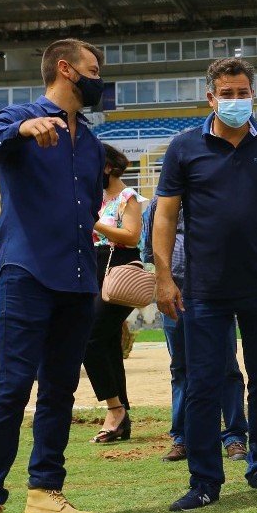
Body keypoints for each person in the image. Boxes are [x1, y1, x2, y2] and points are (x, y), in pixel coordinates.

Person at [0, 38, 106, 513]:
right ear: (66, 70)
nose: (99, 79)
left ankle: (46, 492)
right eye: (93, 70)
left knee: (61, 390)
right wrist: (22, 129)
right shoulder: (20, 117)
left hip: (77, 277)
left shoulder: (89, 141)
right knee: (12, 387)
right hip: (27, 274)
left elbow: (88, 205)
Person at [153, 57, 257, 511]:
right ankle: (204, 480)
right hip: (203, 287)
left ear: (252, 94)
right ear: (211, 97)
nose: (237, 101)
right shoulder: (184, 148)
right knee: (204, 383)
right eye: (228, 93)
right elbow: (164, 215)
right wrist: (163, 276)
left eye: (244, 93)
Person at [142, 197, 248, 463]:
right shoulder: (159, 203)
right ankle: (182, 438)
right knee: (181, 368)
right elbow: (149, 250)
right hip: (174, 292)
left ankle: (234, 436)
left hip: (215, 292)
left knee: (226, 366)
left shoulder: (215, 195)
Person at [81, 143, 145, 443]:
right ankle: (122, 415)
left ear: (107, 167)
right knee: (104, 341)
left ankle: (114, 408)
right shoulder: (93, 197)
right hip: (94, 270)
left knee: (88, 337)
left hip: (119, 270)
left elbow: (131, 236)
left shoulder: (127, 197)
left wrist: (92, 222)